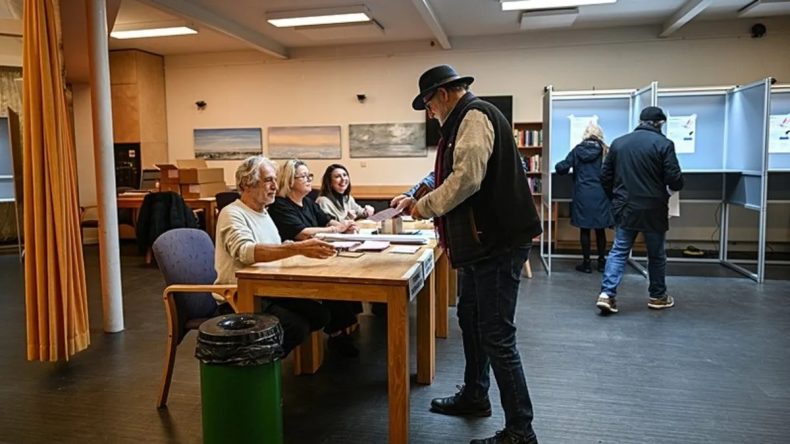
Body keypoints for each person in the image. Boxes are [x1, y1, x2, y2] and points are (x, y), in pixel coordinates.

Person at [403, 64, 542, 444]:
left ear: (443, 94)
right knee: (470, 316)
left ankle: (520, 430)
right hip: (482, 246)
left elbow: (467, 178)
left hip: (496, 242)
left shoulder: (475, 116)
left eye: (429, 104)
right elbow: (447, 171)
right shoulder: (462, 122)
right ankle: (476, 394)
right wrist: (415, 194)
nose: (430, 113)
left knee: (497, 335)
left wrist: (425, 206)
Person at [214, 155, 338, 356]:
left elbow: (273, 247)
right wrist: (296, 248)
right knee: (296, 326)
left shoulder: (264, 213)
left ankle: (265, 357)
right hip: (241, 295)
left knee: (320, 314)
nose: (275, 185)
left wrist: (287, 246)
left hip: (268, 288)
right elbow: (246, 252)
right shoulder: (232, 213)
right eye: (268, 180)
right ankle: (253, 365)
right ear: (247, 184)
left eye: (275, 180)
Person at [268, 159, 363, 357]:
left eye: (309, 175)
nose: (309, 179)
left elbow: (326, 220)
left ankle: (345, 329)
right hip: (293, 267)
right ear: (289, 181)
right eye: (303, 176)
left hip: (314, 259)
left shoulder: (309, 203)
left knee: (344, 279)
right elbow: (302, 233)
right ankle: (339, 335)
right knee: (334, 286)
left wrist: (344, 224)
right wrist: (334, 228)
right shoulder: (280, 206)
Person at [596, 106, 684, 315]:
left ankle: (607, 294)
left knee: (619, 251)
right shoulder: (664, 144)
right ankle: (657, 296)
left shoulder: (619, 143)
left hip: (626, 206)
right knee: (656, 254)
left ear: (640, 121)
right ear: (660, 123)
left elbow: (604, 177)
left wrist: (616, 198)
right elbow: (675, 179)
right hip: (654, 207)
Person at [554, 122, 614, 273]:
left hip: (582, 194)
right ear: (600, 135)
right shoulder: (606, 150)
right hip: (601, 194)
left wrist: (559, 166)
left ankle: (586, 264)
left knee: (585, 230)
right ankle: (601, 263)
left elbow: (562, 168)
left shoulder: (577, 150)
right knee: (600, 230)